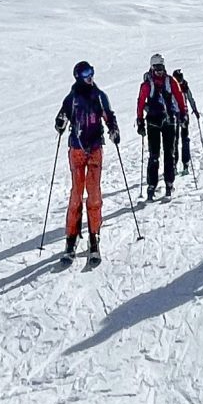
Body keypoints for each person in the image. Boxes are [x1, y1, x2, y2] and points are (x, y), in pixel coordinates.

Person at [55, 59, 120, 258]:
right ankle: (71, 237)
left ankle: (94, 236)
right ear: (79, 78)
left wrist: (114, 130)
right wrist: (59, 123)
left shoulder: (99, 96)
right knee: (76, 194)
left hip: (94, 148)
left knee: (93, 194)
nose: (90, 77)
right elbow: (62, 116)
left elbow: (109, 116)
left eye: (91, 72)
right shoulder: (72, 98)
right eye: (86, 74)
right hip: (76, 149)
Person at [136, 52, 188, 200]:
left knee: (168, 154)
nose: (160, 70)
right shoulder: (156, 83)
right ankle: (154, 186)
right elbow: (140, 102)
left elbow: (179, 97)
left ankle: (167, 184)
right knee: (155, 155)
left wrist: (183, 113)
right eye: (157, 67)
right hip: (159, 121)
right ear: (152, 67)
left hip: (164, 121)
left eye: (161, 66)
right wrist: (139, 120)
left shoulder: (167, 82)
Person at [171, 66, 200, 177]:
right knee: (182, 140)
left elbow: (190, 98)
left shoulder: (178, 86)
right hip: (182, 115)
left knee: (177, 140)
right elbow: (191, 99)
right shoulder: (184, 86)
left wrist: (195, 110)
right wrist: (195, 110)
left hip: (178, 116)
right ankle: (184, 164)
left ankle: (179, 165)